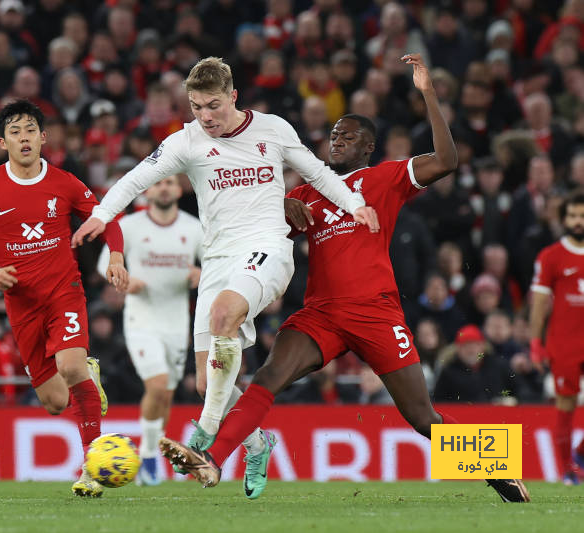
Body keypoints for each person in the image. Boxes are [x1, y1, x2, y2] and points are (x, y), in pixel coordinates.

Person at [159, 54, 530, 504]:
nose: (337, 140)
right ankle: (213, 460)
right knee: (267, 377)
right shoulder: (304, 193)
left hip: (376, 311)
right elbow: (252, 223)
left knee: (420, 415)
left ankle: (498, 469)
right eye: (333, 134)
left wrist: (428, 94)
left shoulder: (386, 178)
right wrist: (279, 206)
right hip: (323, 314)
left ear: (368, 146)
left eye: (348, 135)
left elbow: (447, 160)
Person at [71, 56, 379, 499]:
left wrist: (354, 205)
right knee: (205, 381)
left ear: (233, 96)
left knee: (222, 317)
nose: (205, 116)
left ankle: (204, 435)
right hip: (218, 260)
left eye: (213, 105)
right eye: (196, 107)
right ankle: (258, 443)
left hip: (268, 248)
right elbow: (134, 180)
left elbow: (318, 173)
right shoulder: (187, 140)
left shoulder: (273, 129)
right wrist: (101, 215)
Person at [0, 100, 128, 497]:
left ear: (43, 138)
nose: (23, 138)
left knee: (71, 366)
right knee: (55, 402)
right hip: (21, 306)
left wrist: (116, 255)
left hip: (64, 293)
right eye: (14, 132)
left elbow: (105, 217)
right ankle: (87, 377)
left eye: (30, 131)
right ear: (2, 142)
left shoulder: (65, 183)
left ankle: (92, 465)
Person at [97, 174, 204, 486]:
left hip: (177, 322)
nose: (165, 187)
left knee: (166, 395)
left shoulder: (193, 226)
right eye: (159, 183)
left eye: (170, 182)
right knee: (157, 385)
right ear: (148, 190)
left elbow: (213, 263)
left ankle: (150, 454)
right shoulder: (130, 227)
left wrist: (201, 272)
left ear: (178, 188)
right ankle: (145, 455)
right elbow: (106, 266)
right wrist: (125, 280)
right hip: (141, 320)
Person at [529, 190, 584, 486]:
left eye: (582, 216)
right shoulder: (551, 256)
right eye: (573, 216)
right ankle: (567, 470)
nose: (578, 222)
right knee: (566, 405)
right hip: (565, 343)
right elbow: (539, 303)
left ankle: (580, 453)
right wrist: (535, 343)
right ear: (564, 219)